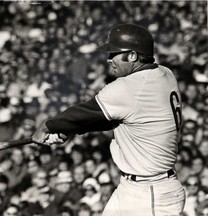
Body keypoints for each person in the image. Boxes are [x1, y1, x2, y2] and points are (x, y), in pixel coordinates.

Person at [32, 23, 186, 215]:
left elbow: (81, 113)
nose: (109, 60)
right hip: (134, 187)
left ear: (132, 56)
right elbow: (114, 119)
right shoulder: (164, 73)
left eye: (114, 54)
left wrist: (47, 126)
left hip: (151, 193)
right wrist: (70, 130)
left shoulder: (129, 86)